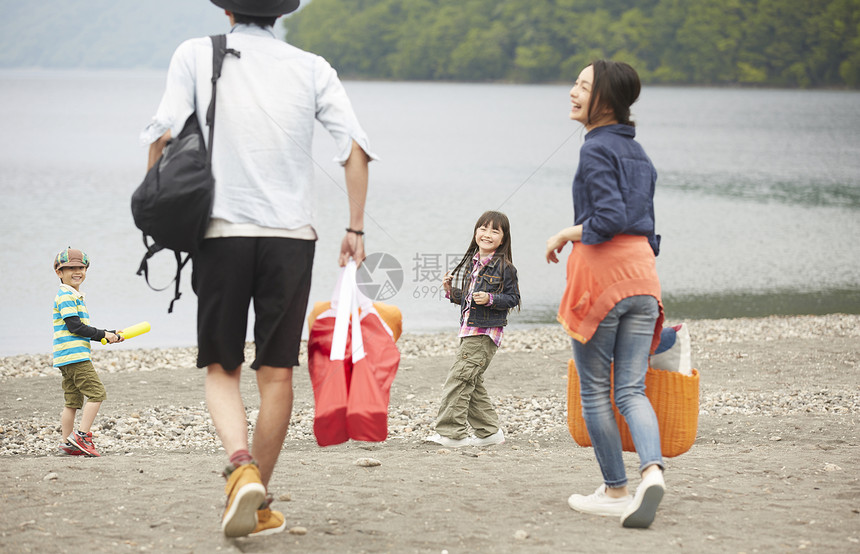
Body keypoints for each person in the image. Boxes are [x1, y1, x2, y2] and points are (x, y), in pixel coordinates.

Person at [141, 0, 374, 538]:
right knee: (277, 373)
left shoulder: (196, 54)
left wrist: (157, 209)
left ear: (226, 10)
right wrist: (356, 229)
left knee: (222, 367)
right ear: (280, 14)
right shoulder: (311, 66)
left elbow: (160, 134)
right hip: (291, 237)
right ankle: (256, 499)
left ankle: (239, 466)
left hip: (220, 233)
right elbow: (355, 148)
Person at [545, 60, 666, 529]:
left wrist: (564, 233)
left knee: (596, 390)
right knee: (631, 388)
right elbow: (646, 227)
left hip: (603, 277)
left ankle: (616, 489)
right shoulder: (640, 155)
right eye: (574, 83)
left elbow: (609, 218)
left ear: (606, 101)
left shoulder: (595, 149)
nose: (572, 92)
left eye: (582, 86)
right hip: (644, 276)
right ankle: (651, 472)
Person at [426, 210, 521, 448]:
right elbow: (469, 299)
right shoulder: (473, 263)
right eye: (483, 228)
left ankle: (451, 433)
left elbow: (513, 298)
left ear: (503, 238)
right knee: (471, 381)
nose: (487, 234)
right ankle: (489, 433)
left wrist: (490, 298)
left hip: (485, 333)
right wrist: (450, 291)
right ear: (476, 232)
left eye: (494, 231)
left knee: (458, 379)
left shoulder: (505, 267)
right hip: (469, 330)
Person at [52, 247, 123, 458]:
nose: (77, 271)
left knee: (72, 402)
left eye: (81, 267)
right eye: (71, 268)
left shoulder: (72, 295)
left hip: (65, 356)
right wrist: (103, 334)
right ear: (59, 272)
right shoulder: (66, 296)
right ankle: (82, 436)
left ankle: (67, 443)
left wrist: (107, 334)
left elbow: (80, 329)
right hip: (76, 356)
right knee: (97, 393)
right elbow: (76, 327)